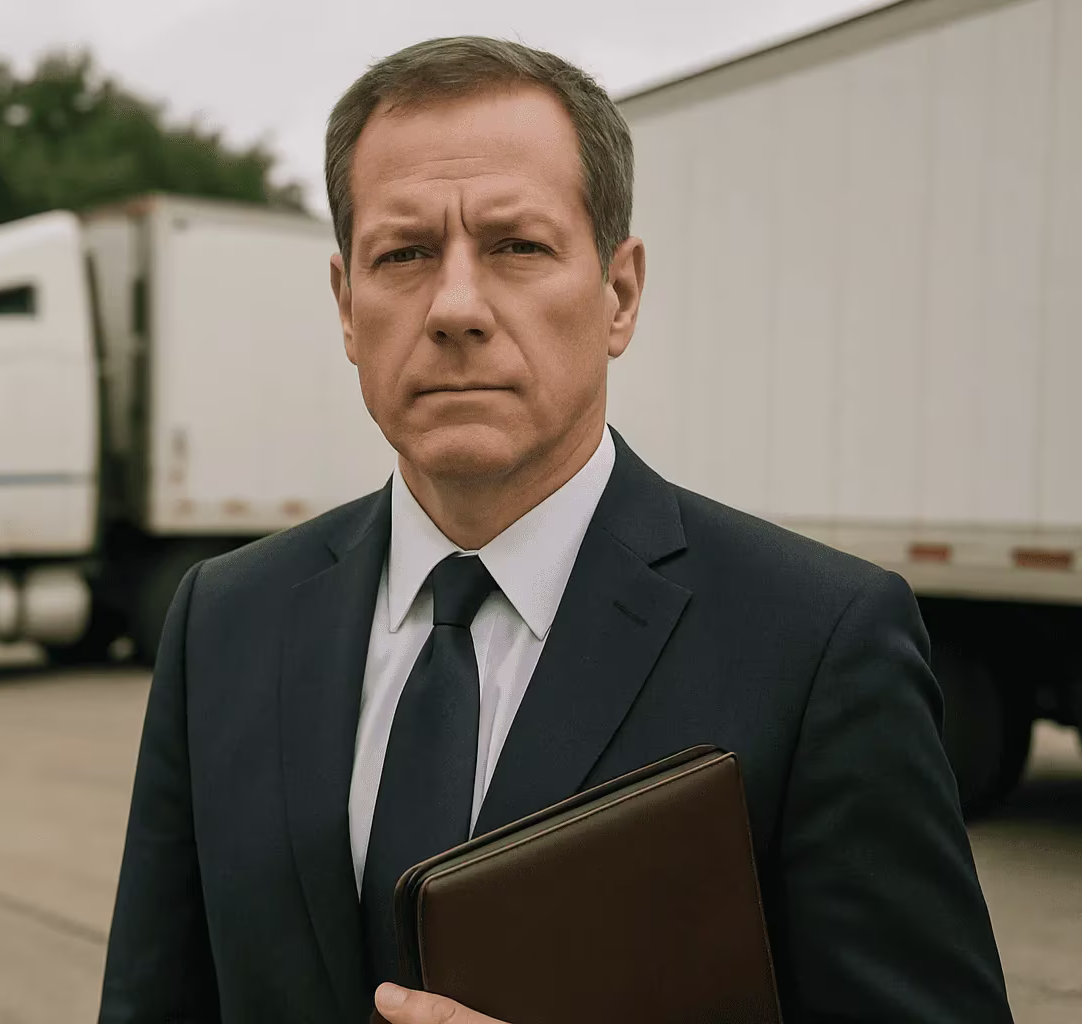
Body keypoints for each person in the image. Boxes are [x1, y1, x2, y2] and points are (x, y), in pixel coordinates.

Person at [98, 35, 1012, 1024]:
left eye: (516, 246)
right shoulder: (226, 621)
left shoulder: (817, 643)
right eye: (403, 254)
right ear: (347, 307)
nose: (454, 306)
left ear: (619, 293)